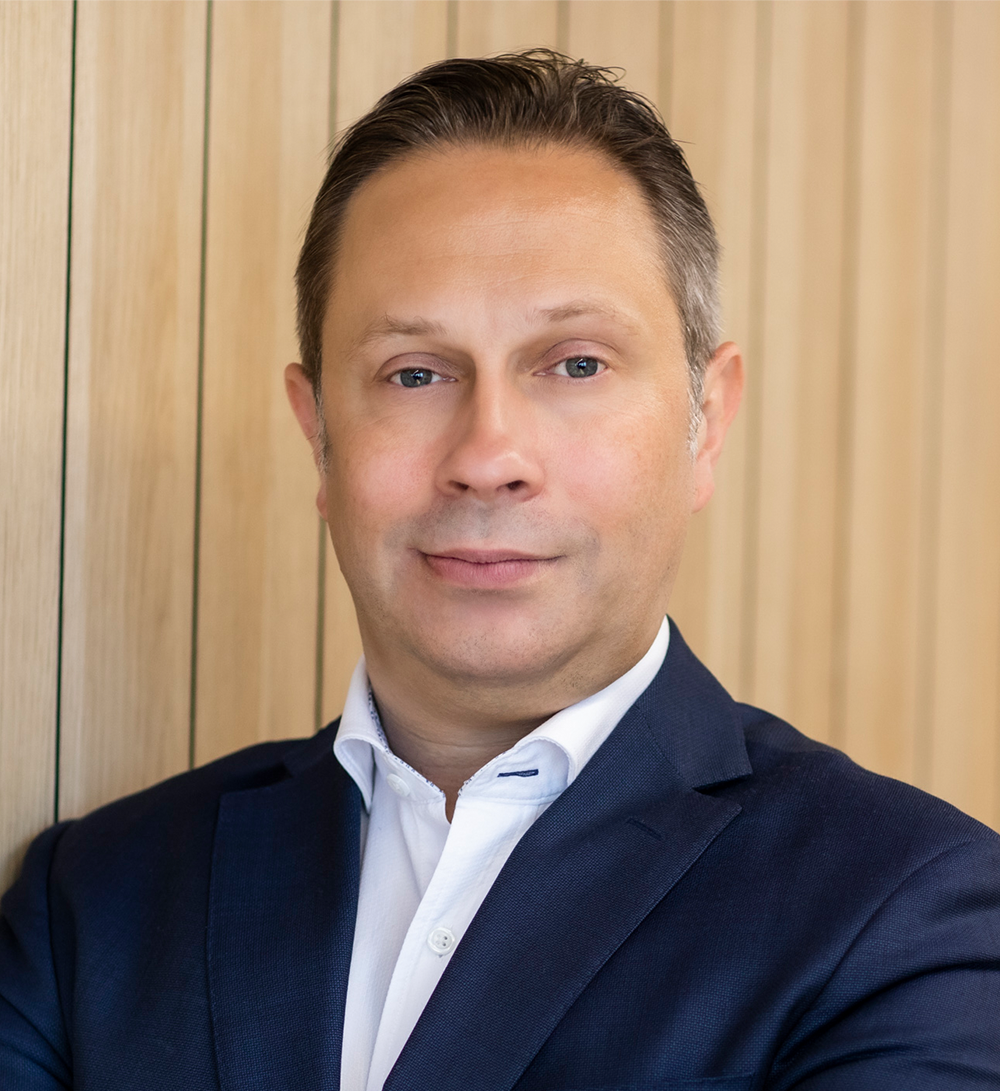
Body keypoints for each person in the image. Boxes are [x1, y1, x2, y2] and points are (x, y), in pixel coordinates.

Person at [1, 49, 998, 1091]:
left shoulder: (902, 912)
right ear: (319, 437)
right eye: (415, 372)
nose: (486, 454)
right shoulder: (95, 902)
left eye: (575, 363)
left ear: (706, 424)